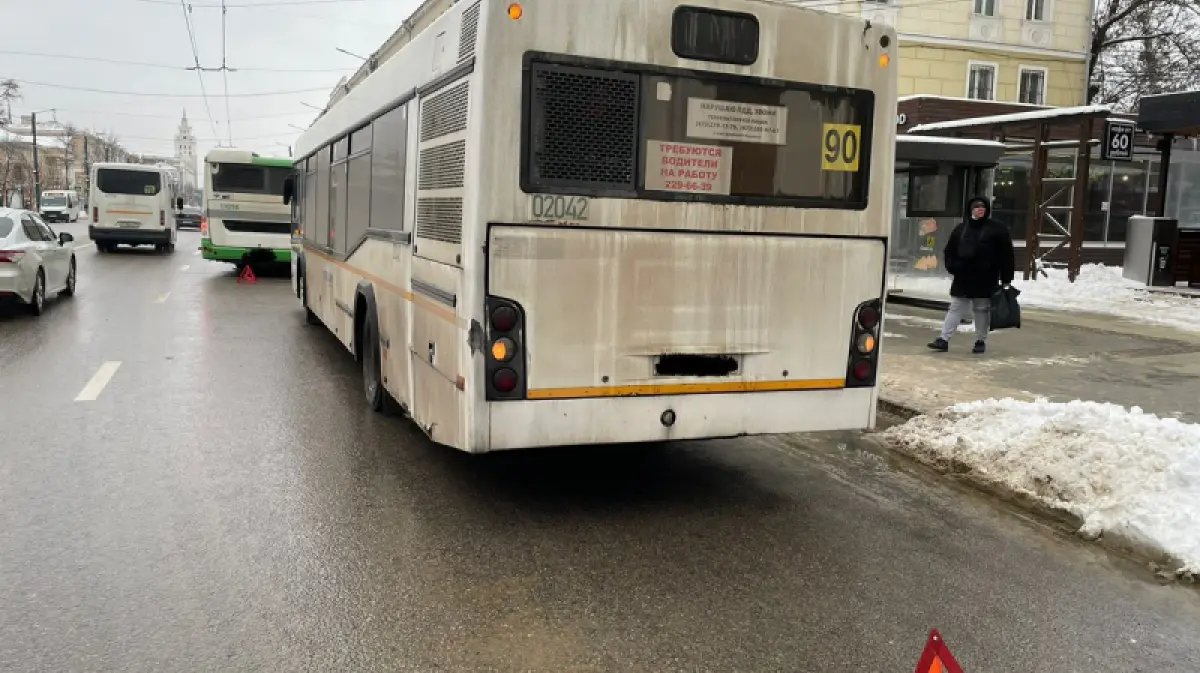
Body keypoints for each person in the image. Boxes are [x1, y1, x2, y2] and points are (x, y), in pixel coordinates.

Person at [927, 195, 1014, 354]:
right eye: (976, 206)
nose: (980, 209)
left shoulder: (997, 229)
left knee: (981, 309)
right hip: (963, 276)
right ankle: (943, 340)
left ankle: (981, 340)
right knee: (956, 307)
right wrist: (953, 267)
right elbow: (949, 251)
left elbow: (1006, 255)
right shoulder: (961, 229)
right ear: (970, 209)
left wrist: (1006, 278)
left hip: (985, 277)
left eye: (983, 207)